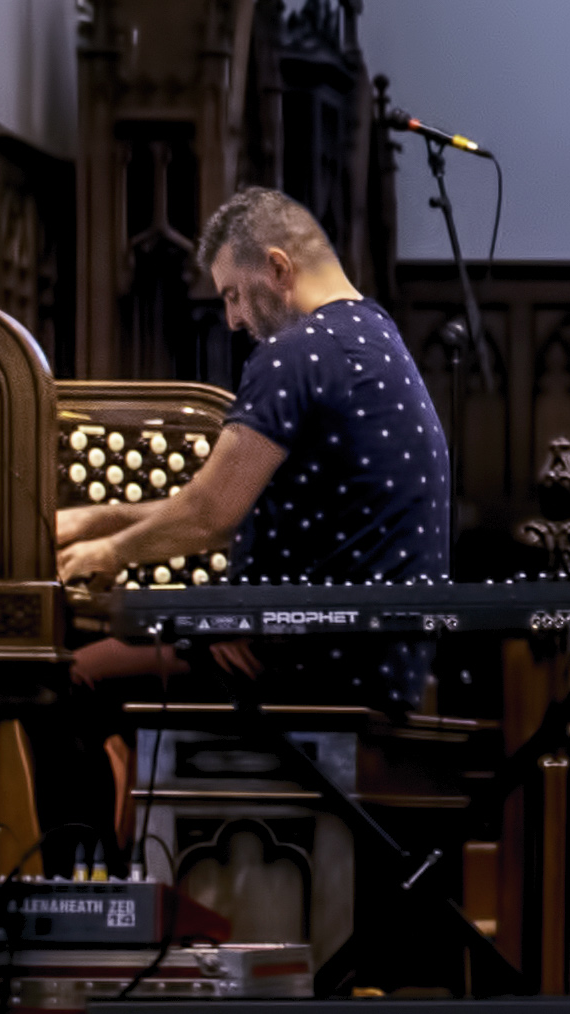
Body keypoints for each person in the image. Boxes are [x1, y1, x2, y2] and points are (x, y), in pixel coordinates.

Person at [54, 186, 454, 713]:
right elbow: (238, 503)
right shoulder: (375, 334)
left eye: (233, 295)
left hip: (310, 662)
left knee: (72, 677)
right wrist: (97, 521)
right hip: (370, 651)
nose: (232, 319)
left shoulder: (295, 353)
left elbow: (210, 514)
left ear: (278, 268)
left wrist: (108, 553)